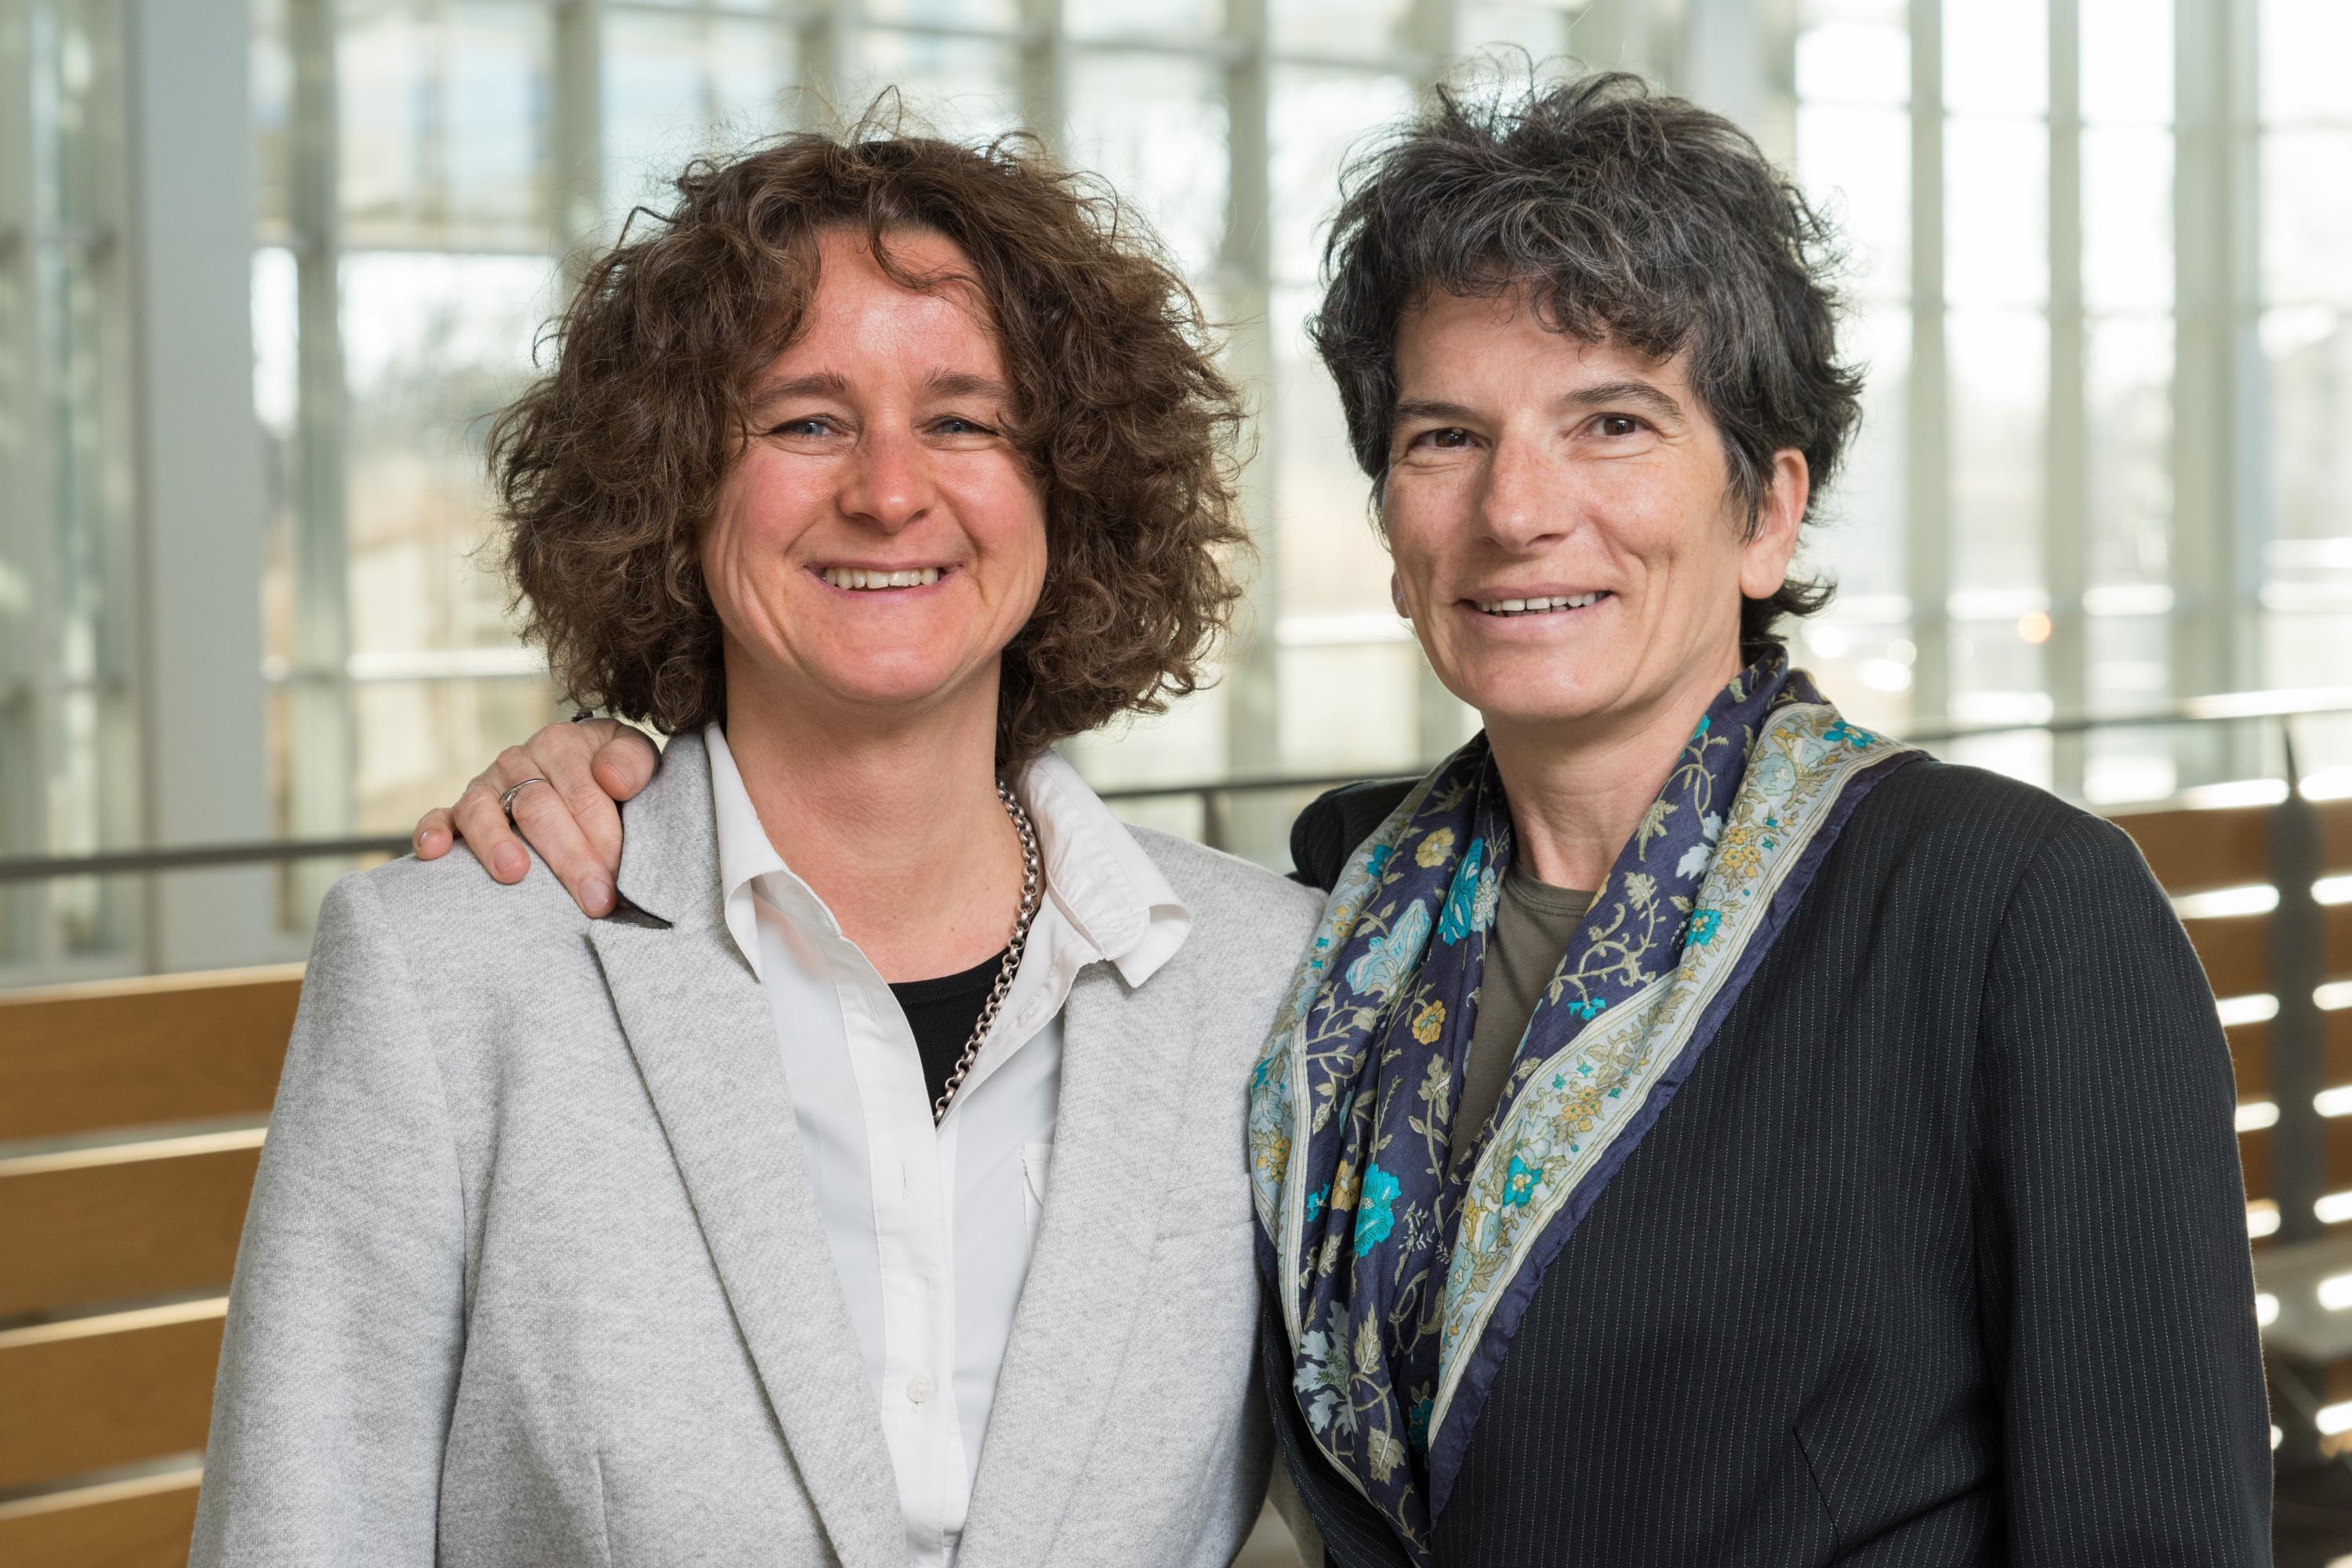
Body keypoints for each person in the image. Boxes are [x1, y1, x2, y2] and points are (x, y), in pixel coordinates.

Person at [426, 77, 2271, 1567]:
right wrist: (628, 769)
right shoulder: (1327, 914)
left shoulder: (2010, 917)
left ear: (1770, 508)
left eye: (1614, 424)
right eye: (1446, 437)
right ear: (1392, 515)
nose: (1518, 510)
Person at [194, 122, 1321, 1568]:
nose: (889, 492)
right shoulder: (449, 974)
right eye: (805, 421)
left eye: (964, 421)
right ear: (677, 484)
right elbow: (299, 1529)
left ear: (1072, 490)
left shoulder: (1267, 978)